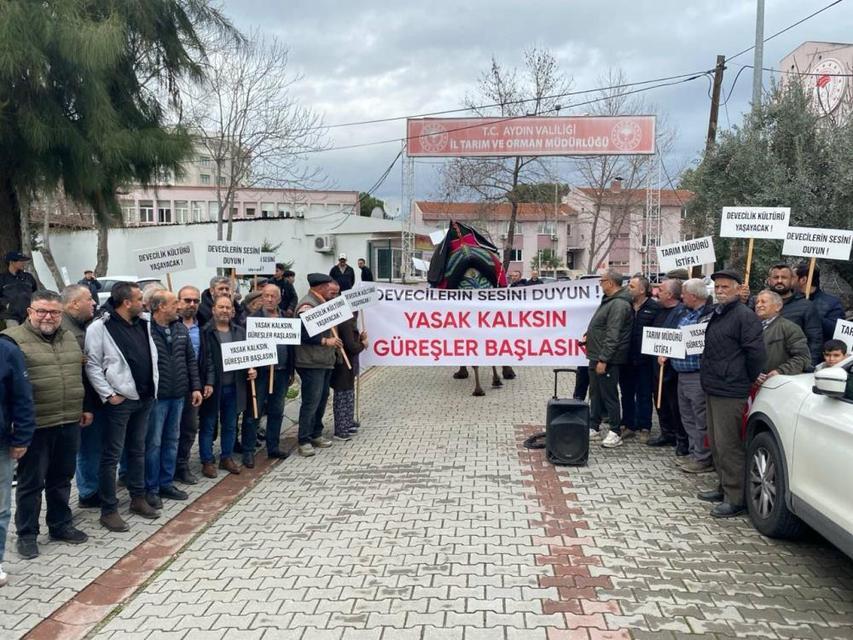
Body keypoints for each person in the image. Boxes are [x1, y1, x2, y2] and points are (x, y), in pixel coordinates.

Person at [2, 290, 90, 558]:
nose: (48, 317)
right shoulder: (12, 341)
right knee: (31, 483)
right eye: (41, 311)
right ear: (30, 312)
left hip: (68, 420)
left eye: (54, 312)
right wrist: (16, 429)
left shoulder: (70, 338)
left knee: (62, 477)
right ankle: (27, 534)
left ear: (61, 314)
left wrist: (84, 408)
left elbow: (80, 375)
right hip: (35, 425)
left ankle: (60, 524)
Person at [85, 281, 160, 532]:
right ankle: (109, 510)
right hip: (120, 401)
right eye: (139, 299)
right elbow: (93, 365)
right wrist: (108, 394)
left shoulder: (144, 323)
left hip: (144, 397)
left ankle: (137, 498)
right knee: (112, 456)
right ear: (126, 302)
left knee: (137, 450)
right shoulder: (100, 327)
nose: (144, 303)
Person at [698, 270, 766, 518]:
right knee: (716, 444)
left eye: (726, 286)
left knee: (729, 446)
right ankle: (723, 486)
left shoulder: (744, 316)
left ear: (739, 289)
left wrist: (742, 378)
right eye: (717, 286)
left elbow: (756, 354)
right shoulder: (719, 313)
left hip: (731, 389)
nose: (720, 290)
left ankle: (735, 497)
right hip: (714, 385)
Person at [144, 290, 203, 509]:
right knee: (154, 443)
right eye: (174, 302)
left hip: (179, 394)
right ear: (160, 307)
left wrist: (195, 386)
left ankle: (166, 483)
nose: (178, 306)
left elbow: (190, 360)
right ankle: (151, 488)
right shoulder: (146, 329)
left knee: (172, 441)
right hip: (157, 398)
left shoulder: (179, 328)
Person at [198, 295, 256, 478]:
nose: (224, 311)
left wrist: (251, 369)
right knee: (208, 424)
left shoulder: (240, 331)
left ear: (232, 311)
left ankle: (226, 456)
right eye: (220, 307)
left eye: (227, 307)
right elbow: (204, 360)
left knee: (230, 425)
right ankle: (207, 460)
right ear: (213, 309)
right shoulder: (205, 332)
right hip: (213, 387)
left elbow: (248, 355)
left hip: (235, 386)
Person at [240, 284, 295, 467]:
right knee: (253, 412)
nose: (270, 299)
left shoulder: (286, 318)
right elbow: (246, 347)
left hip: (281, 371)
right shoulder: (252, 320)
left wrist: (291, 369)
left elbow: (291, 346)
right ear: (262, 298)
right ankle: (248, 451)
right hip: (261, 373)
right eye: (266, 296)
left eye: (273, 296)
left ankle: (273, 446)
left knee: (277, 411)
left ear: (279, 299)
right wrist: (250, 367)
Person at [59, 285, 102, 508]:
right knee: (87, 448)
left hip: (89, 400)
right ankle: (88, 492)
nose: (94, 303)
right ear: (74, 303)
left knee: (93, 447)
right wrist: (86, 406)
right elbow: (78, 373)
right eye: (89, 299)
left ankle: (92, 486)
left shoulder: (83, 326)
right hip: (80, 402)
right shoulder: (67, 333)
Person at [667, 279, 715, 474]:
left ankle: (703, 458)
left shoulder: (708, 316)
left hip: (697, 375)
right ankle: (695, 453)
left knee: (700, 418)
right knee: (688, 418)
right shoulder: (686, 313)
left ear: (693, 296)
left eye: (684, 293)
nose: (681, 296)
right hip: (682, 374)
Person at [0, 337, 36, 586]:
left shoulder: (7, 350)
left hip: (1, 442)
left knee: (0, 508)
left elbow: (22, 397)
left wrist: (22, 437)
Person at [584, 269, 632, 448]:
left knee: (609, 395)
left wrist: (604, 359)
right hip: (596, 355)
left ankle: (615, 431)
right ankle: (593, 426)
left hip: (607, 359)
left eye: (602, 280)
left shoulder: (619, 304)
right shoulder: (609, 300)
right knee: (595, 393)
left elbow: (614, 334)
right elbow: (602, 327)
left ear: (611, 283)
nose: (600, 283)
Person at [295, 274, 341, 457]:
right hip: (310, 361)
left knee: (322, 398)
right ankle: (304, 440)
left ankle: (316, 433)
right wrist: (325, 341)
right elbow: (302, 333)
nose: (333, 292)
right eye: (330, 289)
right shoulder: (307, 305)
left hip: (324, 360)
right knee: (311, 401)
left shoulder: (322, 303)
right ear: (321, 287)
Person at [174, 286, 214, 486]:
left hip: (195, 387)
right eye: (187, 300)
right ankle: (167, 468)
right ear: (178, 302)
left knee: (189, 429)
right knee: (170, 431)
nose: (191, 304)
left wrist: (208, 381)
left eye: (195, 301)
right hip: (172, 386)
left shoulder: (205, 327)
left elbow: (208, 358)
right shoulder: (171, 325)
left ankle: (182, 465)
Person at [647, 278, 689, 453]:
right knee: (660, 402)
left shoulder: (682, 313)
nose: (657, 293)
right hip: (657, 366)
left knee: (675, 405)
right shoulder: (659, 310)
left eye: (661, 290)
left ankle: (681, 439)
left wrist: (668, 354)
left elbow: (682, 339)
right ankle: (667, 433)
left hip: (672, 369)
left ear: (670, 294)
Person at [618, 275, 659, 443]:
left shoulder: (654, 308)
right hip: (626, 358)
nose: (629, 289)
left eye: (632, 287)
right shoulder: (625, 306)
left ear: (642, 290)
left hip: (645, 360)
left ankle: (644, 427)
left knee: (644, 393)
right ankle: (628, 424)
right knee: (626, 393)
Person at [765, 264, 823, 365]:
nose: (779, 281)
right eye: (775, 277)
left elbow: (815, 339)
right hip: (759, 369)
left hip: (791, 369)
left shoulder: (805, 306)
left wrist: (809, 366)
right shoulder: (758, 303)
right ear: (769, 280)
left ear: (792, 280)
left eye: (784, 277)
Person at [754, 290, 811, 384]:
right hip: (749, 384)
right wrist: (752, 372)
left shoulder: (789, 328)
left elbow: (803, 358)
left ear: (778, 307)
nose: (758, 305)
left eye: (763, 302)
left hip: (776, 385)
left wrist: (780, 371)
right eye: (757, 302)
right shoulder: (749, 326)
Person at [331, 310, 368, 440]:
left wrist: (360, 338)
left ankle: (347, 423)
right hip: (343, 365)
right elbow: (351, 346)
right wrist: (363, 344)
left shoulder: (350, 319)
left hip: (348, 364)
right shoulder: (345, 321)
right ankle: (341, 429)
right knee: (342, 394)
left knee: (348, 393)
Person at [794, 263, 845, 342]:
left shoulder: (832, 303)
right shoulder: (790, 300)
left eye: (793, 277)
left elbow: (836, 331)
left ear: (803, 280)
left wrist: (811, 314)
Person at [0, 251, 38, 328]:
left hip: (29, 316)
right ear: (11, 262)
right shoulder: (2, 278)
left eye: (24, 260)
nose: (23, 263)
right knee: (14, 337)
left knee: (31, 337)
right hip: (10, 316)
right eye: (20, 260)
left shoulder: (28, 277)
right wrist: (6, 304)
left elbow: (35, 293)